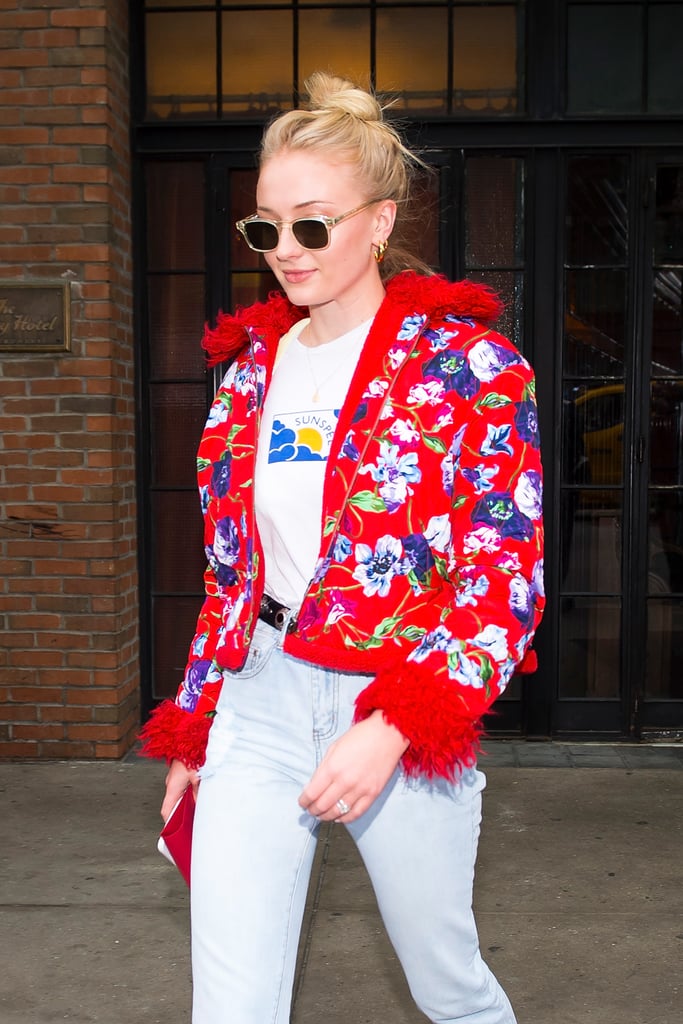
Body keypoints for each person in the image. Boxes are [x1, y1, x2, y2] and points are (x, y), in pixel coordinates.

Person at [140, 71, 545, 1024]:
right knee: (230, 1006)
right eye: (264, 228)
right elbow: (232, 571)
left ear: (377, 220)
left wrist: (396, 722)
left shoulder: (469, 369)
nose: (285, 250)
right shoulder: (245, 371)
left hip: (398, 694)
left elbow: (504, 580)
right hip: (260, 697)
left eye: (311, 224)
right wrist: (196, 730)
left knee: (449, 989)